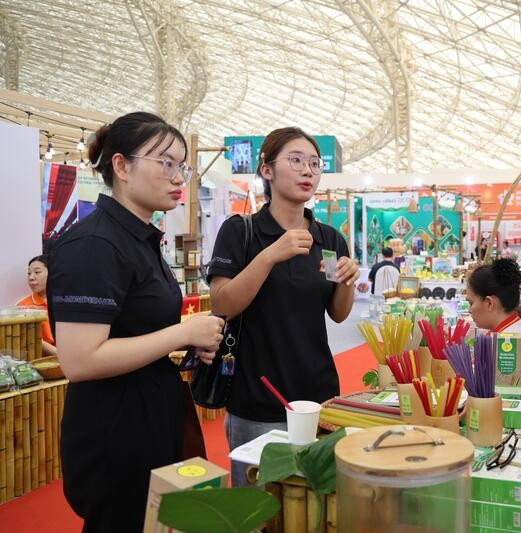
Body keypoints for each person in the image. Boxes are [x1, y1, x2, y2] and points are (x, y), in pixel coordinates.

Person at [46, 112, 224, 532]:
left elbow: (135, 330)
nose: (178, 175)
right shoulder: (94, 244)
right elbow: (80, 360)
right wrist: (181, 332)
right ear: (122, 166)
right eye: (165, 162)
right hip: (116, 431)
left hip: (150, 415)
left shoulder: (139, 238)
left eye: (182, 165)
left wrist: (186, 340)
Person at [207, 127, 360, 486]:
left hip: (319, 399)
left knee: (314, 506)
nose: (308, 171)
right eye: (296, 160)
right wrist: (270, 255)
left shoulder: (329, 238)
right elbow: (222, 304)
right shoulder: (241, 232)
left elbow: (337, 312)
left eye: (314, 163)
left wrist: (348, 282)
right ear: (267, 170)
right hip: (258, 399)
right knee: (259, 508)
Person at [466, 258, 521, 386]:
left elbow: (490, 395)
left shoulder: (507, 348)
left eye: (471, 303)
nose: (469, 310)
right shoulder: (512, 332)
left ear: (489, 303)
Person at [16, 255, 57, 356]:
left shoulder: (65, 300)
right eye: (29, 273)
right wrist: (63, 356)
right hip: (45, 360)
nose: (31, 277)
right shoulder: (24, 306)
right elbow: (34, 341)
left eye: (37, 272)